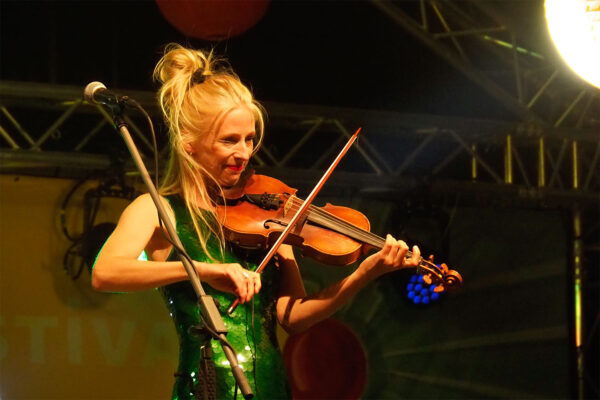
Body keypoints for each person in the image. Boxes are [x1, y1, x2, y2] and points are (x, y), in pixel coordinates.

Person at [92, 43, 421, 400]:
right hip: (205, 391)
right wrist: (204, 270)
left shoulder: (272, 216)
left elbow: (293, 318)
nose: (244, 153)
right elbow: (106, 273)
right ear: (189, 143)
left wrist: (363, 273)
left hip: (271, 390)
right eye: (229, 140)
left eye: (249, 139)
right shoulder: (158, 209)